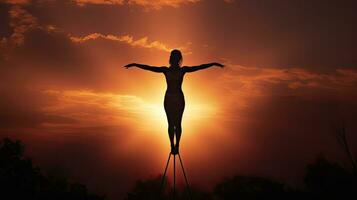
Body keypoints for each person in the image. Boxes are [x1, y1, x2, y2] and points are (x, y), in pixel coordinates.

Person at [124, 49, 224, 155]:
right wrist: (135, 64)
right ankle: (172, 145)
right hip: (169, 99)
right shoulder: (166, 70)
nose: (176, 60)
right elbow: (149, 68)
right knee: (172, 124)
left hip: (178, 99)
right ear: (173, 59)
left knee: (177, 124)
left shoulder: (182, 70)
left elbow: (199, 67)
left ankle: (176, 145)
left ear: (177, 59)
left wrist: (213, 64)